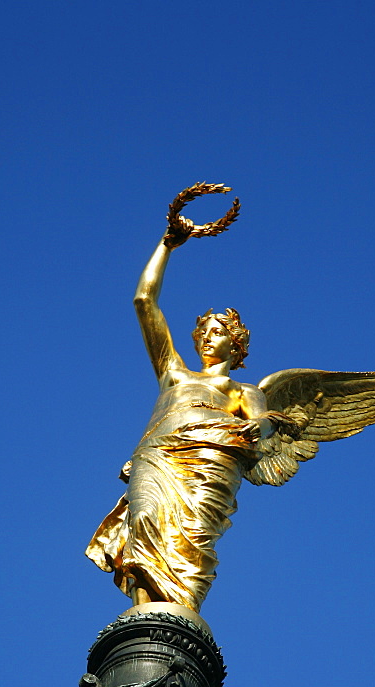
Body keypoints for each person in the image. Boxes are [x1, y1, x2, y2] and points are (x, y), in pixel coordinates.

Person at [86, 232, 286, 612]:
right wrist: (167, 244)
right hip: (159, 456)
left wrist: (260, 428)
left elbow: (261, 427)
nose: (207, 339)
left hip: (212, 463)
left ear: (236, 343)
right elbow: (144, 300)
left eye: (218, 332)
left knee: (193, 540)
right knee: (143, 522)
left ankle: (181, 615)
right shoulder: (173, 373)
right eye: (202, 333)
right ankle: (142, 613)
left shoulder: (241, 391)